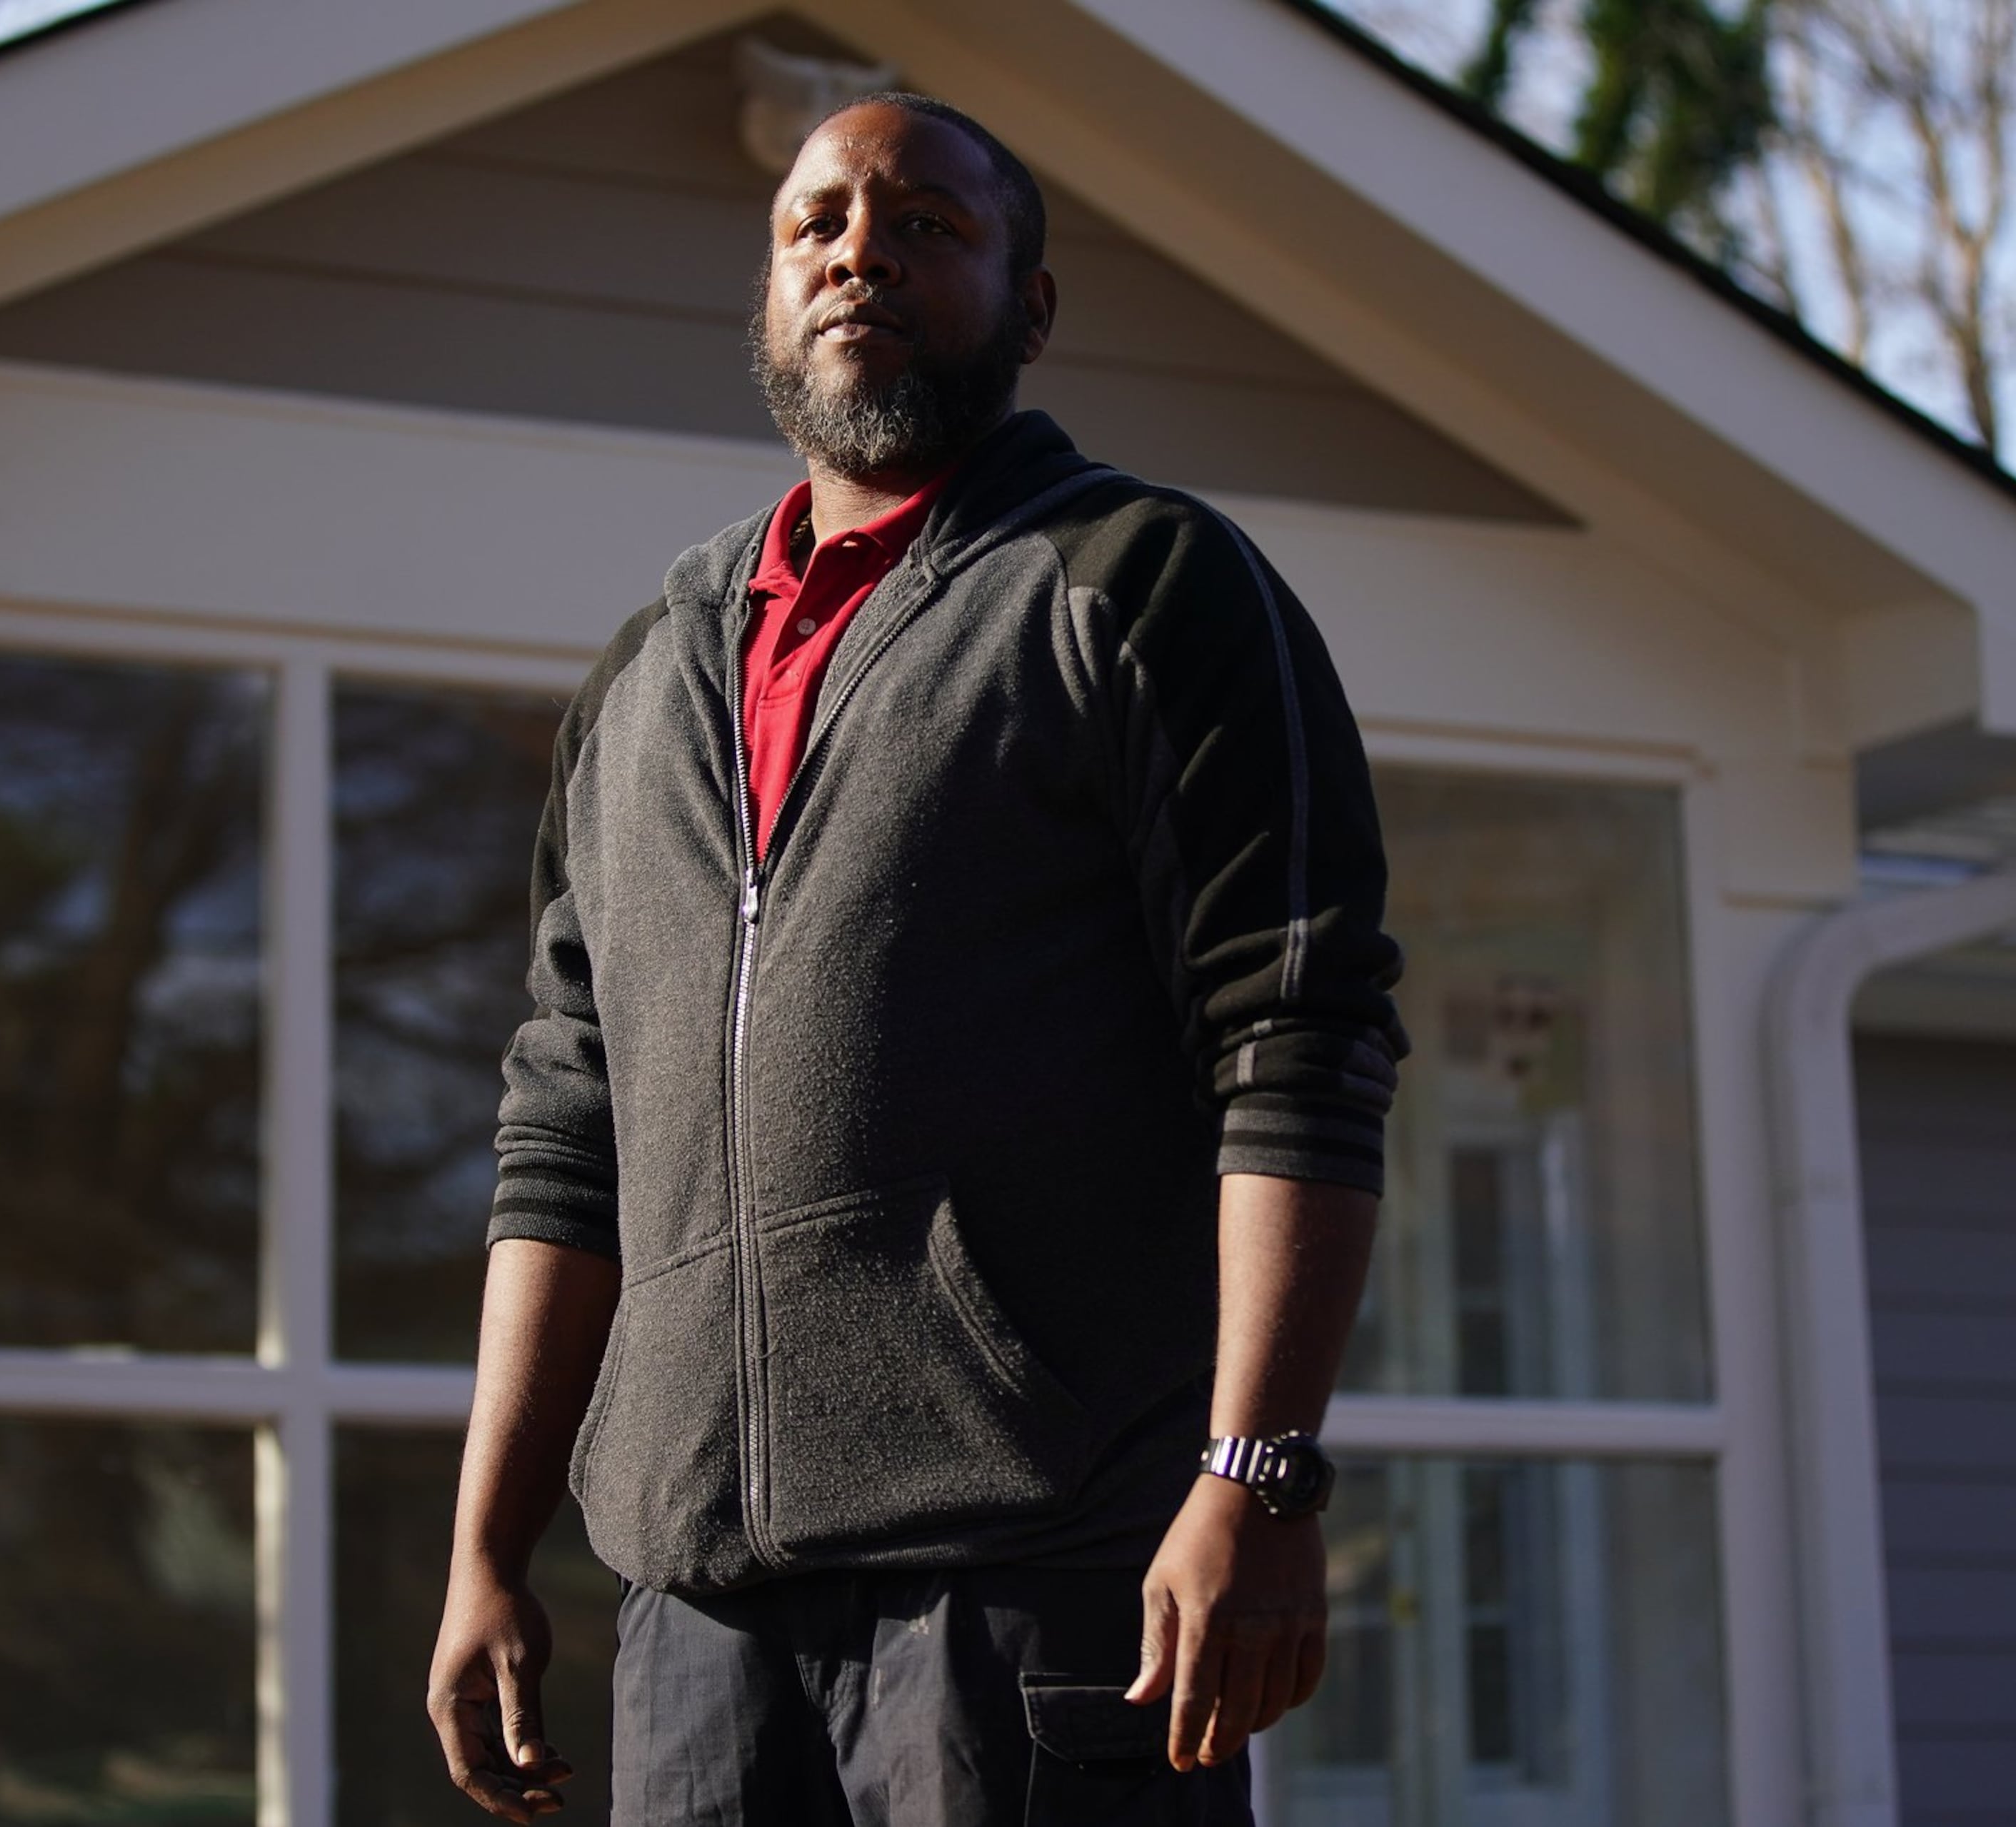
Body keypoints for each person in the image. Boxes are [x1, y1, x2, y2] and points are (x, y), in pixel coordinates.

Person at [426, 90, 1408, 1826]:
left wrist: (1256, 1477)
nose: (860, 251)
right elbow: (564, 1128)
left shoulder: (1141, 585)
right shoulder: (651, 676)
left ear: (1031, 304)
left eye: (928, 224)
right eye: (817, 223)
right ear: (769, 287)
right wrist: (486, 1545)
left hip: (1036, 1590)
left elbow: (1300, 1035)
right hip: (697, 1617)